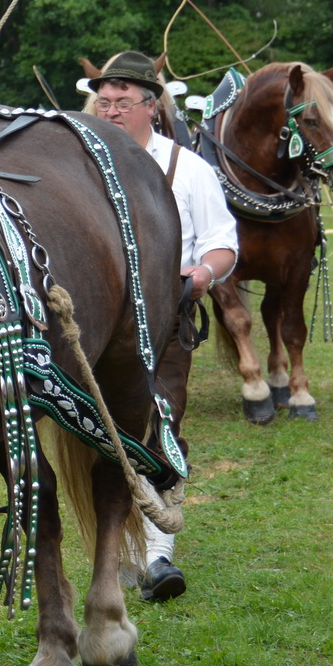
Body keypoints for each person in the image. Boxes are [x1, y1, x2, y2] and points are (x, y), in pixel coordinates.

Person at [86, 51, 238, 603]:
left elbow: (224, 244)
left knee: (160, 423)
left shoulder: (187, 169)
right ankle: (117, 550)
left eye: (123, 102)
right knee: (101, 431)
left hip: (166, 318)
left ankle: (157, 553)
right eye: (103, 101)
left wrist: (200, 274)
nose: (110, 110)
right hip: (96, 328)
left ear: (152, 107)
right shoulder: (77, 164)